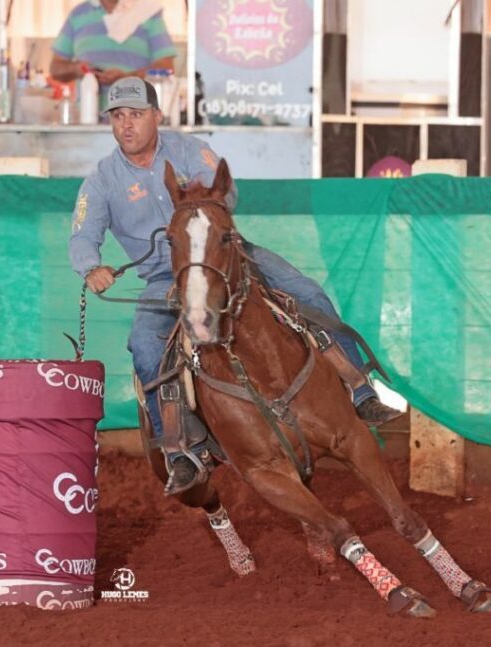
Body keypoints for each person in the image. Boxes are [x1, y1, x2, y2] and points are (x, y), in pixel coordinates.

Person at [69, 77, 402, 495]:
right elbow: (82, 237)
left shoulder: (189, 150)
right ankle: (178, 451)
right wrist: (91, 267)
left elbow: (227, 192)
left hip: (227, 257)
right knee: (147, 348)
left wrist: (200, 203)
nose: (126, 125)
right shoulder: (102, 181)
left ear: (157, 116)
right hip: (162, 276)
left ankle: (359, 389)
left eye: (136, 115)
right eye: (118, 117)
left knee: (307, 293)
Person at [50, 0, 176, 102]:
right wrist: (78, 69)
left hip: (134, 121)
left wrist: (128, 78)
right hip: (87, 121)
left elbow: (166, 66)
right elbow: (55, 68)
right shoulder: (77, 14)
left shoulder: (148, 12)